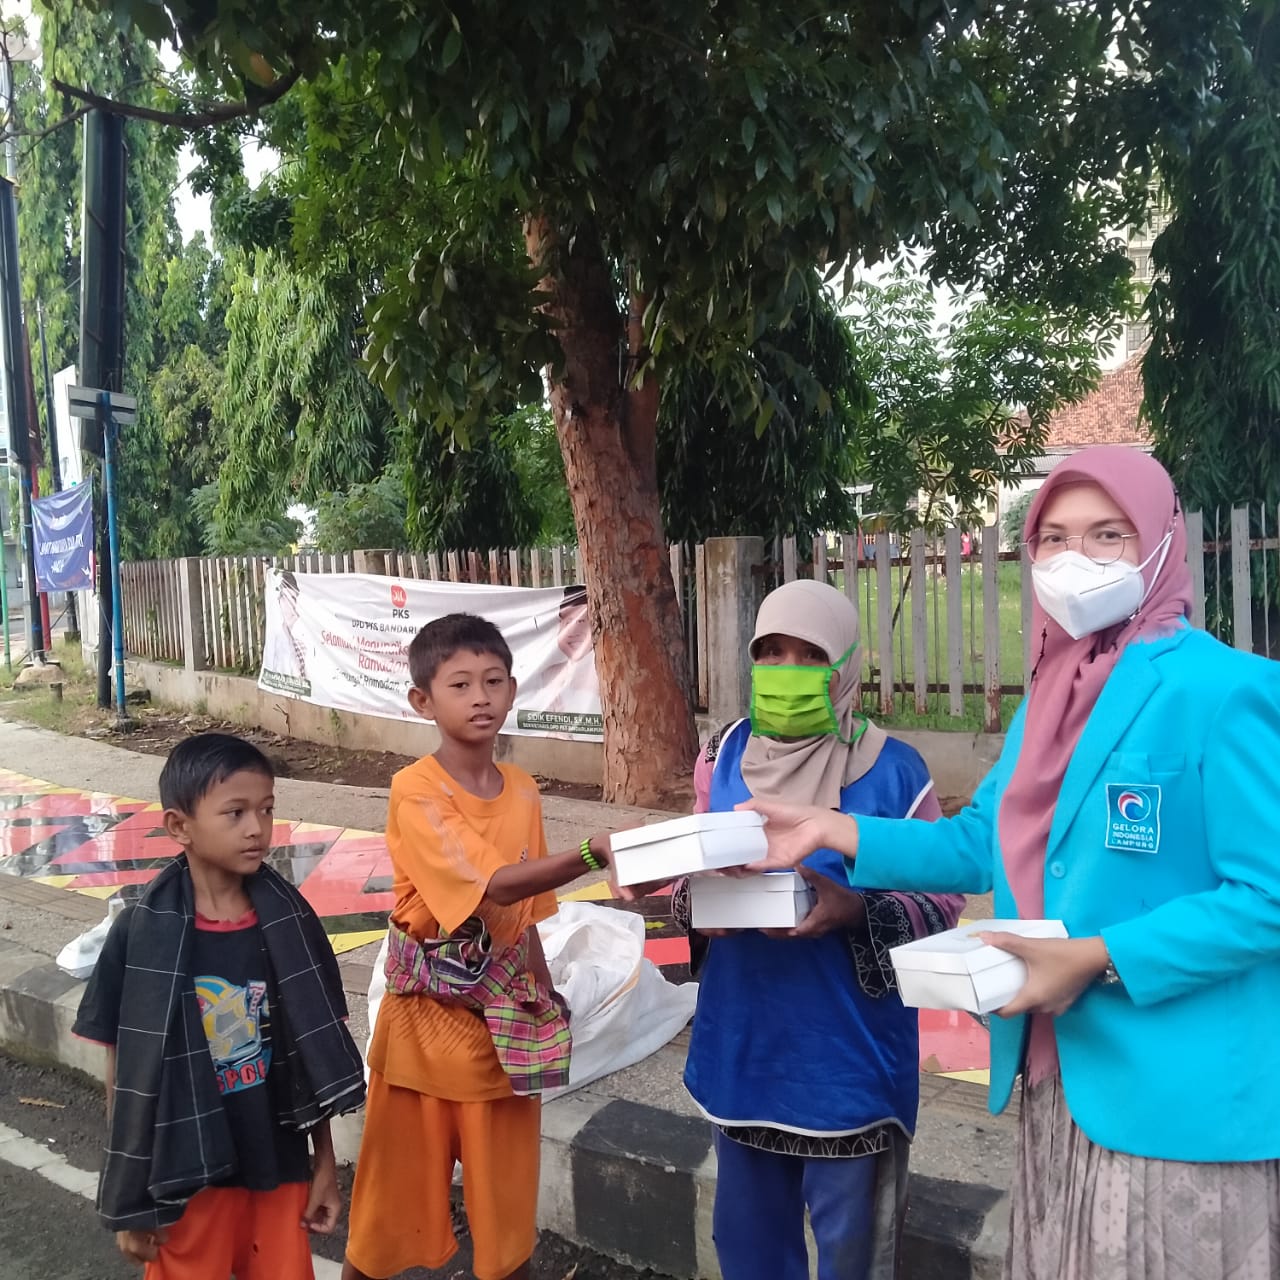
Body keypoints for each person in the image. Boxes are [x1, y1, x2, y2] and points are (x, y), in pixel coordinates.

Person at [739, 447, 1280, 1280]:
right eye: (1053, 538)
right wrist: (832, 829)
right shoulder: (1047, 698)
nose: (1075, 559)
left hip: (1181, 1098)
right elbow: (975, 843)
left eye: (1108, 535)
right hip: (1059, 1079)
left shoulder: (1224, 690)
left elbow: (1266, 897)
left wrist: (1099, 957)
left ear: (1161, 543)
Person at [672, 579, 964, 1280]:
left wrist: (852, 909)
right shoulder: (723, 753)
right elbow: (688, 870)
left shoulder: (896, 773)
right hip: (742, 1049)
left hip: (846, 1063)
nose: (787, 671)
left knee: (851, 1257)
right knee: (748, 1249)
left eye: (810, 656)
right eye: (771, 653)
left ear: (846, 666)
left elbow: (944, 900)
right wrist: (701, 901)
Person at [341, 612, 615, 1280]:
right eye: (460, 685)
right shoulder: (415, 790)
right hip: (422, 1037)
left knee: (507, 1228)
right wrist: (589, 854)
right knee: (384, 1219)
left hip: (502, 1037)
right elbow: (490, 884)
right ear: (423, 701)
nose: (481, 697)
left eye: (494, 681)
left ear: (513, 691)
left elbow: (526, 915)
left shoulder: (523, 791)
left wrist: (544, 996)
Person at [74, 733, 366, 1279]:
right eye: (235, 813)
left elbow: (309, 1061)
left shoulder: (291, 924)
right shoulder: (140, 935)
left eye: (266, 809)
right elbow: (125, 1077)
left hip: (278, 1165)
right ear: (179, 826)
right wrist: (130, 1194)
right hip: (186, 1173)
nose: (257, 828)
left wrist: (323, 1165)